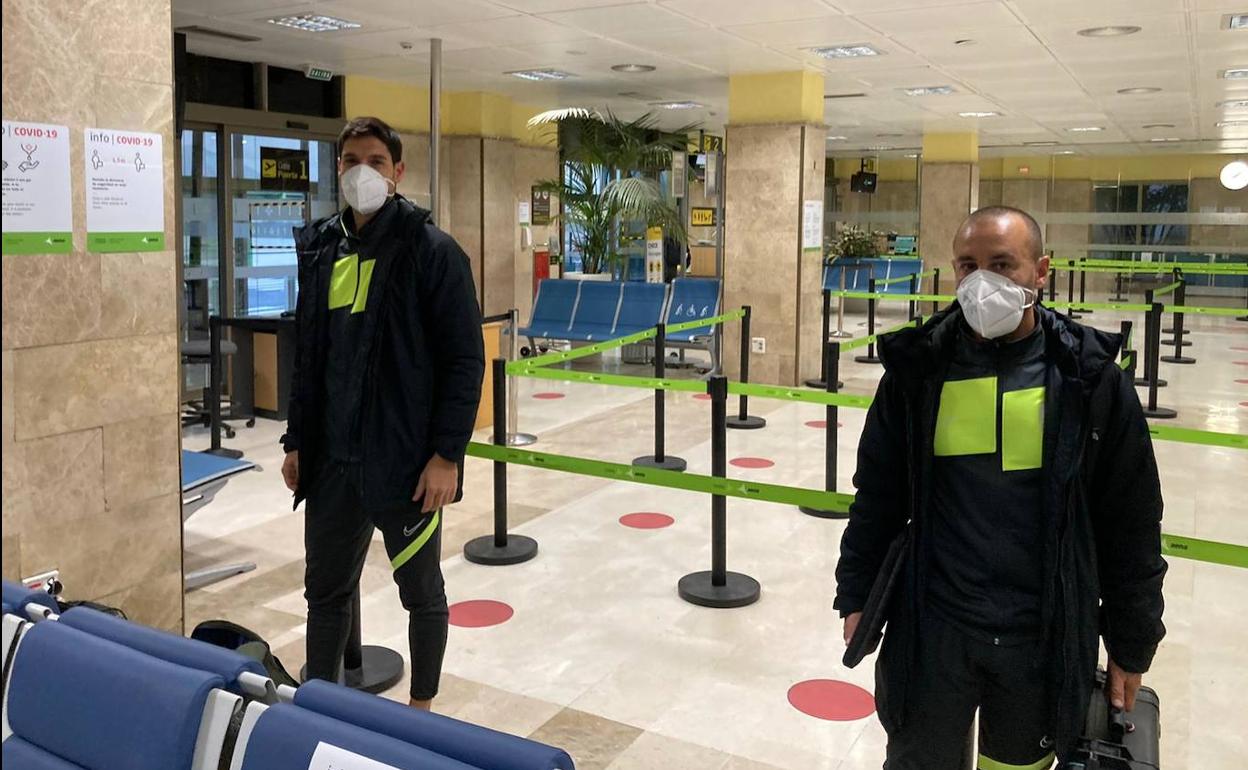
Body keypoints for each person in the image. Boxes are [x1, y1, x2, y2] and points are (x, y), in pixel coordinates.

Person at [834, 206, 1166, 769]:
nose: (982, 280)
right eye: (968, 265)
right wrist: (858, 591)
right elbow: (878, 495)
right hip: (934, 627)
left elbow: (1129, 518)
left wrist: (1132, 641)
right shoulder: (917, 375)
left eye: (1001, 264)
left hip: (1040, 634)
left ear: (1041, 272)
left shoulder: (1089, 381)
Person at [280, 116, 485, 710]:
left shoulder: (433, 252)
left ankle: (421, 712)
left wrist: (447, 455)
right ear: (337, 168)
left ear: (398, 171)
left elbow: (463, 362)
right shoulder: (324, 250)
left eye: (374, 161)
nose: (360, 172)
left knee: (422, 593)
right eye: (349, 160)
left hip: (405, 465)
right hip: (333, 466)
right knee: (325, 594)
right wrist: (298, 439)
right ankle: (319, 706)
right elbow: (311, 355)